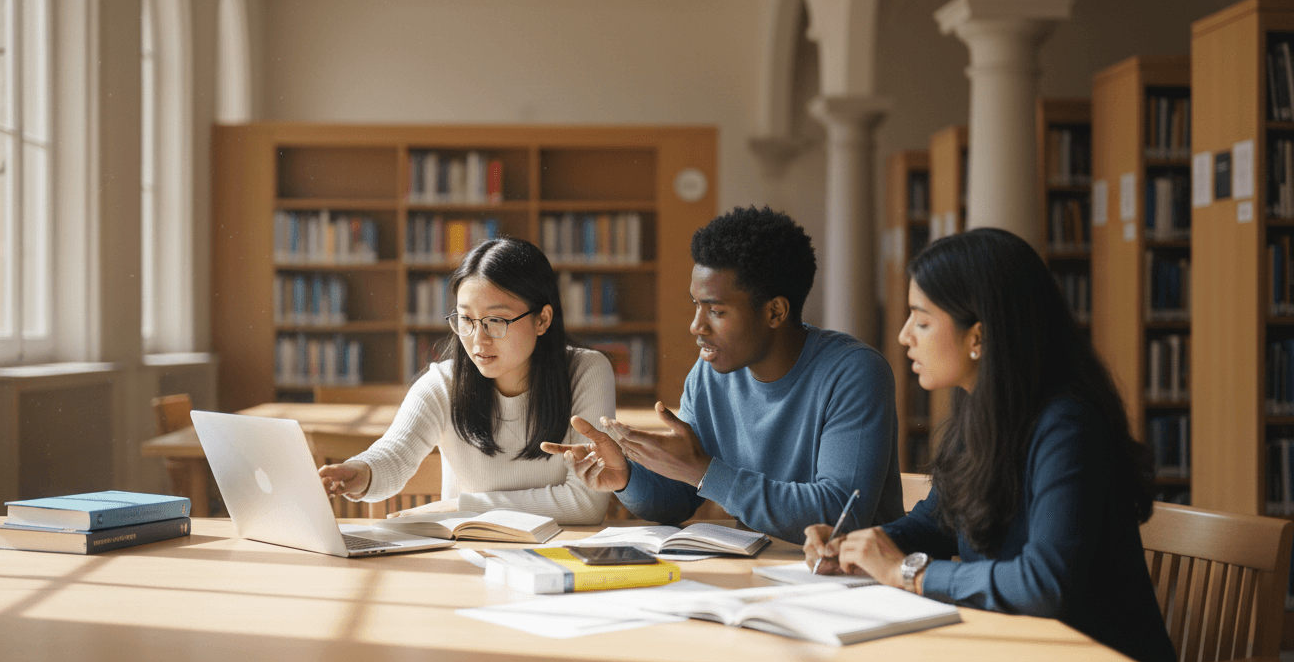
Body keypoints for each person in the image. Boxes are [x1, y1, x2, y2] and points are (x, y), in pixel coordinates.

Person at [803, 228, 1177, 662]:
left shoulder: (1068, 427)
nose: (904, 336)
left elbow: (1044, 585)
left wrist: (908, 573)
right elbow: (937, 522)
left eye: (922, 321)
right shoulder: (984, 411)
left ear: (978, 337)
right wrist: (857, 548)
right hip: (1022, 658)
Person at [543, 206, 903, 543]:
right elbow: (680, 499)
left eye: (716, 311)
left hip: (849, 575)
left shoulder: (854, 372)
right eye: (696, 305)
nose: (696, 326)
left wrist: (703, 472)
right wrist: (627, 476)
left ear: (775, 312)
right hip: (759, 568)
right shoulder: (708, 376)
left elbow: (839, 515)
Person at [318, 237, 614, 524]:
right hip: (466, 550)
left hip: (555, 551)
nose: (478, 340)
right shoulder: (444, 383)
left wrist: (462, 507)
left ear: (543, 320)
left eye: (496, 321)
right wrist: (361, 472)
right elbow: (395, 453)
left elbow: (586, 504)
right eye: (466, 320)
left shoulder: (586, 371)